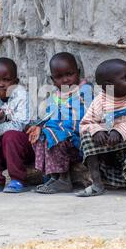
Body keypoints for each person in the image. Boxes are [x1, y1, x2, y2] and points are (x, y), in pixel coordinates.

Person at [77, 58, 126, 198]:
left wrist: (119, 130)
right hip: (105, 146)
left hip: (124, 146)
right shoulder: (99, 101)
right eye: (125, 77)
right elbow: (84, 124)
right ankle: (96, 184)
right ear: (108, 85)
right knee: (87, 137)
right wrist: (97, 131)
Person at [26, 52, 93, 194]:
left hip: (78, 141)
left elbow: (79, 119)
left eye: (69, 74)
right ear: (52, 79)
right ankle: (53, 176)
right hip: (63, 136)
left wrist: (50, 128)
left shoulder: (85, 91)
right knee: (40, 135)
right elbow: (50, 116)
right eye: (59, 77)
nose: (65, 79)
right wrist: (40, 127)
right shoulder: (56, 96)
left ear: (78, 72)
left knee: (53, 135)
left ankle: (64, 179)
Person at [0, 57, 34, 193]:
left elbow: (19, 125)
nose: (1, 84)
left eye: (7, 80)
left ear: (16, 82)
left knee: (11, 136)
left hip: (24, 147)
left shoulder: (22, 95)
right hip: (3, 148)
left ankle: (18, 179)